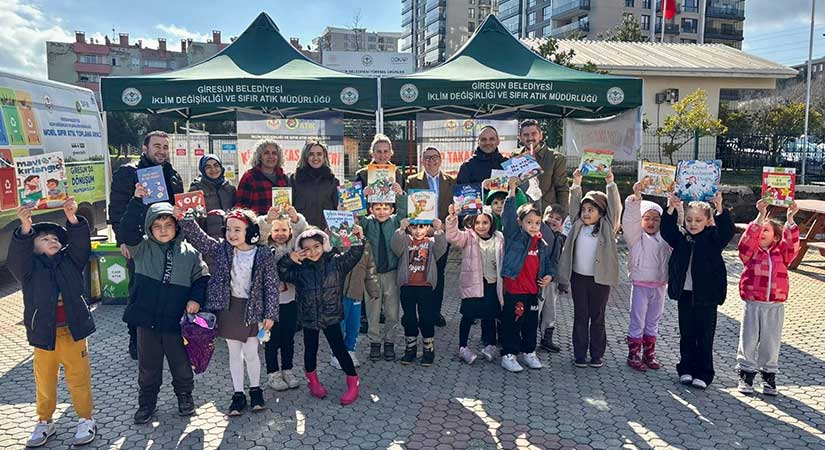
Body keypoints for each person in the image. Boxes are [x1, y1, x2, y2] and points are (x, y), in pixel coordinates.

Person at [9, 198, 98, 448]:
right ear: (34, 248)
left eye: (56, 239)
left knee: (79, 379)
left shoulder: (71, 261)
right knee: (45, 381)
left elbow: (80, 245)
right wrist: (25, 227)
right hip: (43, 336)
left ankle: (85, 418)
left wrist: (71, 218)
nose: (53, 241)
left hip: (73, 333)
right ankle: (44, 420)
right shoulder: (29, 269)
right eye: (45, 239)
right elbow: (17, 259)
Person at [120, 185, 208, 424]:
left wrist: (195, 299)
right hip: (146, 321)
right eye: (157, 226)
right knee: (148, 367)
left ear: (177, 226)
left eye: (168, 225)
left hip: (175, 322)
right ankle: (147, 403)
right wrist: (137, 201)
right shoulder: (141, 248)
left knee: (180, 363)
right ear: (149, 228)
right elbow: (128, 229)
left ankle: (185, 397)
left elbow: (202, 277)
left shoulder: (189, 252)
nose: (163, 230)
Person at [178, 207, 279, 416]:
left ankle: (256, 390)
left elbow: (271, 284)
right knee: (234, 353)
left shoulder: (262, 254)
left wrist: (270, 313)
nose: (232, 234)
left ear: (250, 231)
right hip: (229, 308)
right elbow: (200, 239)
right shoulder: (223, 249)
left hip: (253, 310)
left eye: (238, 230)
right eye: (229, 229)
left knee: (251, 352)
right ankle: (238, 394)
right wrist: (185, 218)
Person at [109, 130, 184, 360]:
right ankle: (136, 340)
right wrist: (122, 240)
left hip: (168, 243)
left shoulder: (173, 176)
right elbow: (117, 209)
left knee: (170, 290)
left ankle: (166, 337)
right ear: (145, 148)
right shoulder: (128, 173)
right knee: (140, 293)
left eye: (165, 147)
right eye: (157, 146)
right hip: (139, 243)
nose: (161, 151)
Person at [278, 228, 365, 405]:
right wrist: (289, 259)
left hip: (331, 316)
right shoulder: (300, 269)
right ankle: (313, 382)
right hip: (309, 317)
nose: (312, 251)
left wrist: (358, 236)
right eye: (306, 249)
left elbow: (355, 253)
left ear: (324, 245)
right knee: (310, 350)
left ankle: (353, 381)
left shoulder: (336, 263)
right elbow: (281, 272)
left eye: (316, 246)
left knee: (340, 349)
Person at [661, 192, 735, 390]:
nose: (693, 224)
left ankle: (704, 372)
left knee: (704, 335)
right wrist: (670, 207)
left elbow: (727, 232)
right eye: (689, 219)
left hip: (706, 296)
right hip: (685, 294)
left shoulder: (713, 238)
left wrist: (720, 208)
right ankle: (686, 368)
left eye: (698, 220)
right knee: (686, 333)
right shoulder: (682, 237)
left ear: (708, 221)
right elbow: (666, 231)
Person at [557, 169, 621, 369]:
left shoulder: (607, 227)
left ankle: (596, 354)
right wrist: (576, 182)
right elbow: (574, 204)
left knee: (598, 317)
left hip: (599, 280)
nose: (586, 213)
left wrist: (610, 182)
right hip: (579, 279)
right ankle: (579, 354)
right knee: (580, 316)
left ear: (601, 213)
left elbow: (615, 209)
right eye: (584, 209)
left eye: (591, 210)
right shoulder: (577, 224)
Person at [736, 199, 800, 396]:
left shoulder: (782, 254)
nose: (761, 233)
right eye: (760, 230)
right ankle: (746, 373)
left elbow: (792, 245)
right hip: (753, 303)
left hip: (775, 304)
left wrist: (790, 219)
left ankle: (768, 374)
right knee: (748, 339)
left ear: (775, 237)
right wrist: (760, 215)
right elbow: (746, 241)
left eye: (766, 230)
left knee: (771, 341)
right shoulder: (751, 253)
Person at [499, 178, 559, 373]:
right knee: (513, 323)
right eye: (529, 222)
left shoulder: (541, 243)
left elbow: (547, 264)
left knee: (531, 323)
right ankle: (509, 355)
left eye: (537, 223)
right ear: (520, 222)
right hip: (515, 290)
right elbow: (507, 218)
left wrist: (549, 275)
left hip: (533, 291)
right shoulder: (514, 236)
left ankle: (528, 351)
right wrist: (512, 191)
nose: (534, 226)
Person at [622, 182, 671, 372]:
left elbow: (675, 224)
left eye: (656, 219)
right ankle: (633, 353)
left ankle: (649, 354)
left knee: (653, 321)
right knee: (638, 320)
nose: (651, 223)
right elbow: (630, 221)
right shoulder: (635, 238)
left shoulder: (665, 238)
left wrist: (674, 205)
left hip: (659, 285)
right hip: (641, 285)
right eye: (647, 218)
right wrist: (636, 199)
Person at [446, 204, 504, 365]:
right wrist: (451, 219)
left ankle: (490, 345)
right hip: (473, 284)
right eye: (477, 223)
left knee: (490, 315)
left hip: (492, 283)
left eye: (485, 223)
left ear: (491, 223)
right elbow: (452, 237)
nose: (481, 226)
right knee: (468, 315)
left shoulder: (499, 237)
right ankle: (463, 347)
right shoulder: (469, 237)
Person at [405, 146, 456, 327]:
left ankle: (435, 312)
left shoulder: (451, 181)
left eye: (434, 157)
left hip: (442, 234)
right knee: (420, 272)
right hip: (420, 235)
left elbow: (454, 207)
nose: (431, 161)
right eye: (427, 158)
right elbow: (410, 209)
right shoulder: (412, 181)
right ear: (422, 161)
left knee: (439, 274)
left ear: (441, 159)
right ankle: (421, 313)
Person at [359, 183, 408, 361]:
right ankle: (374, 342)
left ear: (391, 208)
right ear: (371, 209)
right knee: (372, 310)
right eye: (377, 208)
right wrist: (362, 197)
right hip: (371, 275)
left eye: (385, 207)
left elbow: (403, 213)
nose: (381, 211)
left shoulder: (395, 222)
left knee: (392, 311)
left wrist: (400, 194)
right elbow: (356, 216)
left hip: (391, 273)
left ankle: (389, 342)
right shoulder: (367, 223)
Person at [391, 218, 448, 366]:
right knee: (409, 318)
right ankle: (410, 348)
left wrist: (439, 230)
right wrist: (401, 230)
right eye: (414, 227)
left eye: (422, 227)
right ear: (410, 229)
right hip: (407, 286)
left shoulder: (431, 242)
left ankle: (428, 349)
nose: (418, 231)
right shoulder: (405, 241)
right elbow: (395, 247)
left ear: (427, 228)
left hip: (426, 287)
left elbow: (442, 249)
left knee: (426, 318)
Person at [264, 206, 308, 391]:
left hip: (290, 300)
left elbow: (304, 232)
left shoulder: (294, 246)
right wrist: (266, 221)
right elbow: (258, 231)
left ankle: (288, 370)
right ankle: (273, 374)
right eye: (276, 230)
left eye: (284, 230)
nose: (280, 234)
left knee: (288, 338)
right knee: (271, 340)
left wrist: (296, 218)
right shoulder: (263, 247)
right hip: (270, 303)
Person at [337, 241, 380, 370]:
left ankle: (350, 350)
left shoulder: (365, 243)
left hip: (356, 291)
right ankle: (337, 354)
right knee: (340, 325)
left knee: (354, 325)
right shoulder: (333, 239)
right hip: (338, 293)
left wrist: (373, 289)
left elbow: (370, 268)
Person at [515, 119, 569, 211]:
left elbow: (562, 189)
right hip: (521, 212)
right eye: (526, 135)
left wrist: (562, 214)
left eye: (534, 134)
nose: (530, 138)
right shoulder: (515, 157)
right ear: (520, 137)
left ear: (541, 135)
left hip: (545, 213)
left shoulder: (556, 158)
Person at [538, 204, 568, 353]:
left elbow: (563, 262)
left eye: (557, 219)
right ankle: (527, 337)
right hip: (539, 279)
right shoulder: (541, 232)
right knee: (536, 309)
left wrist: (564, 283)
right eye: (550, 216)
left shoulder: (562, 238)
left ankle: (546, 338)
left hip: (553, 281)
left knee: (550, 311)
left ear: (562, 223)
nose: (553, 220)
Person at [290, 140, 340, 228]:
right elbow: (288, 207)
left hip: (325, 230)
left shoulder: (333, 180)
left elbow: (339, 209)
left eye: (319, 154)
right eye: (311, 154)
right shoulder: (295, 179)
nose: (315, 158)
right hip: (301, 229)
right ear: (305, 157)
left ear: (324, 157)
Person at [235, 139, 290, 215]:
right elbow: (241, 208)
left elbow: (286, 207)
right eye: (266, 153)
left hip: (279, 225)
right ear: (260, 157)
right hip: (258, 225)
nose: (270, 156)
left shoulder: (283, 177)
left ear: (278, 157)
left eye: (274, 153)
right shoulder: (250, 177)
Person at [189, 154, 237, 240]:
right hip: (207, 240)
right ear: (203, 170)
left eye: (216, 165)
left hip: (230, 237)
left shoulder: (229, 188)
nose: (213, 169)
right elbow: (192, 218)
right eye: (208, 167)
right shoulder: (196, 190)